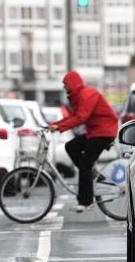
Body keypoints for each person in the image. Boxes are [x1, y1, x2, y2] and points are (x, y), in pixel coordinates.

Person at [48, 71, 119, 213]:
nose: (64, 87)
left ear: (72, 83)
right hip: (95, 132)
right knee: (71, 147)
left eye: (65, 84)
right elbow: (73, 116)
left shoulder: (88, 94)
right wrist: (54, 124)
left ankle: (86, 202)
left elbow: (81, 117)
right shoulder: (78, 96)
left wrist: (60, 127)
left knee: (84, 166)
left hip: (103, 132)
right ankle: (91, 173)